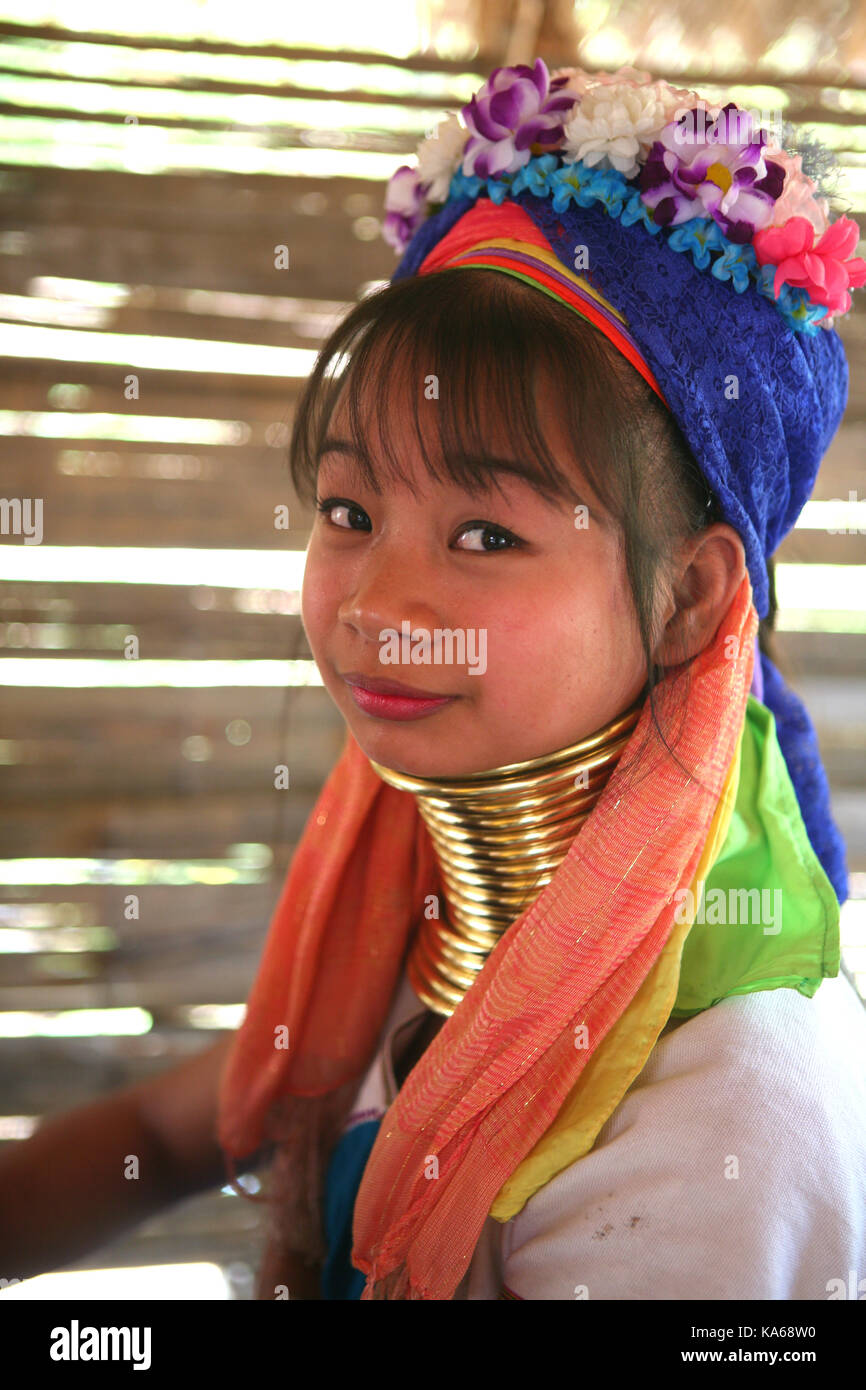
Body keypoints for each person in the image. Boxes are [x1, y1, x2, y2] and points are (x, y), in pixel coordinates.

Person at [2, 59, 865, 1303]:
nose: (373, 606)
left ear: (685, 597)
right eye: (348, 509)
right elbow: (170, 1134)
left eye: (483, 536)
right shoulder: (409, 929)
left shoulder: (724, 1116)